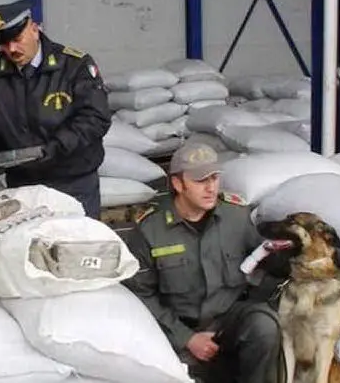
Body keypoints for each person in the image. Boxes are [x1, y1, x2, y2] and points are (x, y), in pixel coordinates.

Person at [123, 142, 288, 383]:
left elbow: (265, 261)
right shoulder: (150, 230)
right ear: (178, 184)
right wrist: (187, 338)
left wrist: (285, 254)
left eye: (215, 178)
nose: (211, 188)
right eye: (201, 181)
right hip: (177, 329)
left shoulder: (237, 216)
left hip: (229, 321)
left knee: (264, 325)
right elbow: (141, 296)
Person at [0, 0, 111, 218]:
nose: (12, 49)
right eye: (4, 44)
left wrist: (55, 148)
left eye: (17, 39)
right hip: (22, 186)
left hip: (73, 182)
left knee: (78, 247)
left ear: (34, 29)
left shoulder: (74, 66)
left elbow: (95, 118)